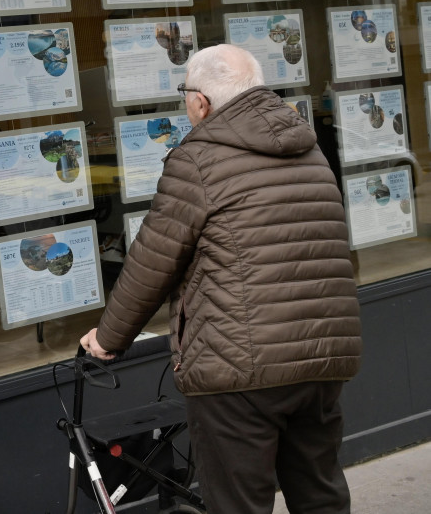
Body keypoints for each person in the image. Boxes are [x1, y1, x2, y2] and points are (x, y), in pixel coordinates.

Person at [81, 45, 362, 513]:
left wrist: (110, 338)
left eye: (186, 94)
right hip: (322, 356)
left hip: (239, 366)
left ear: (201, 102)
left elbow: (154, 260)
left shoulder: (198, 160)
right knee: (320, 493)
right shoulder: (309, 147)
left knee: (238, 503)